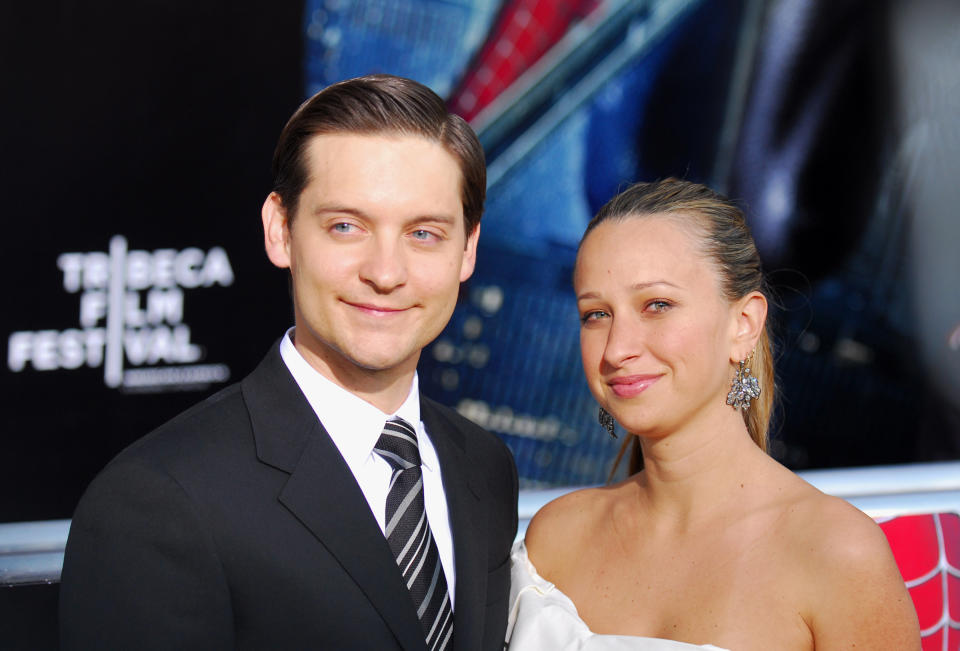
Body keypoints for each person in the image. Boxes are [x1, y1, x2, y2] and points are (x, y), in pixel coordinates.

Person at [59, 74, 518, 651]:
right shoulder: (158, 502)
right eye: (346, 226)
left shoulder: (484, 466)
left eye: (424, 233)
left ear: (468, 250)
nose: (385, 271)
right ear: (281, 230)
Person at [507, 179, 920, 650]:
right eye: (596, 314)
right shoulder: (556, 537)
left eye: (657, 305)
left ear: (743, 325)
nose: (618, 349)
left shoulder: (835, 552)